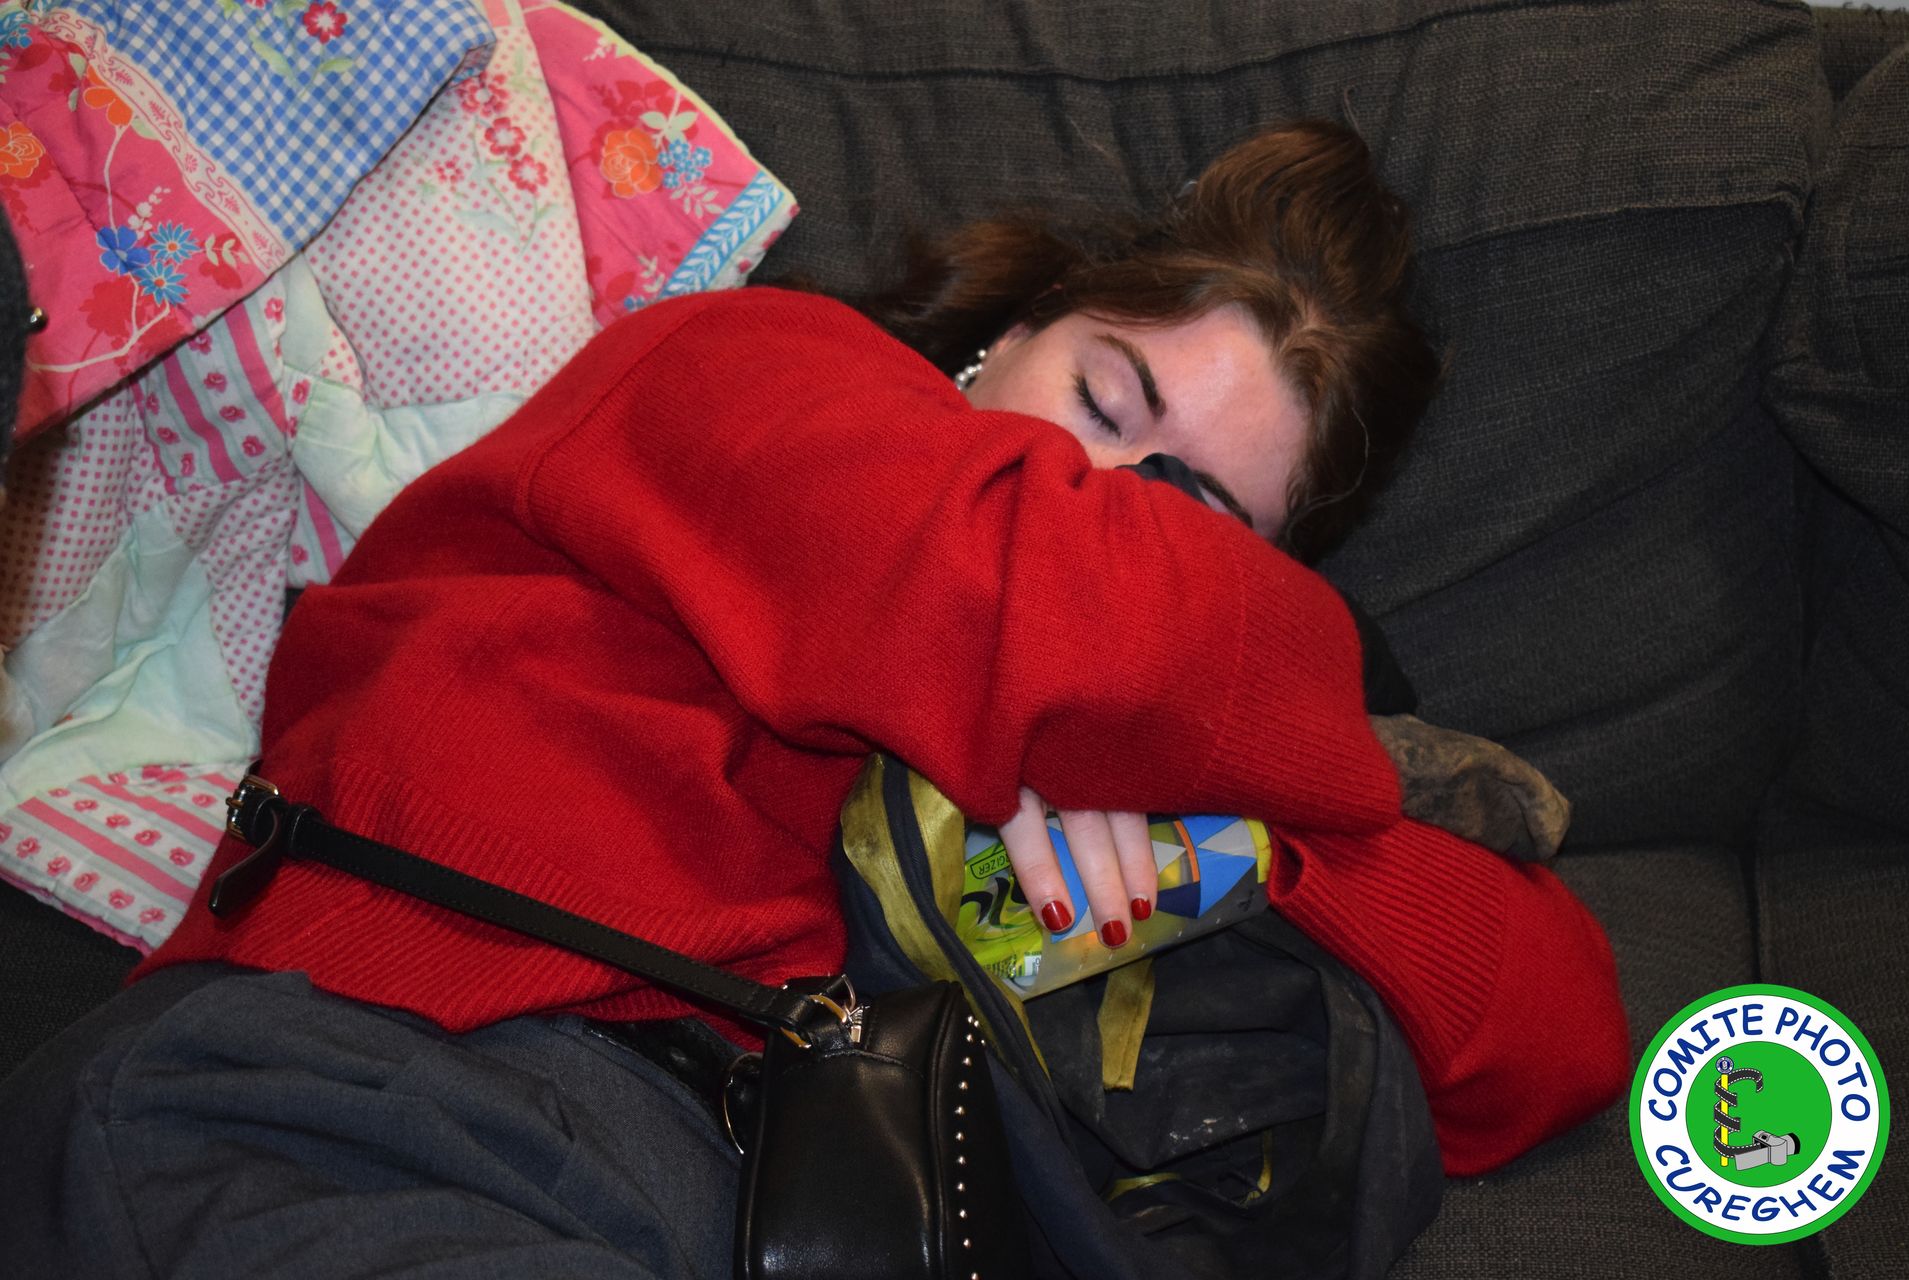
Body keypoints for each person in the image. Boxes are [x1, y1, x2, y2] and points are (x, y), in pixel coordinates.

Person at [0, 120, 1629, 1276]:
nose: (1102, 492)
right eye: (1103, 395)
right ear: (1000, 342)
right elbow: (1042, 608)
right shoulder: (752, 368)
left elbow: (1550, 1024)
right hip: (372, 1081)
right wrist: (1169, 697)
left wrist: (1245, 841)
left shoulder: (1219, 732)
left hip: (768, 1185)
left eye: (1195, 507)